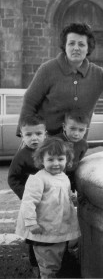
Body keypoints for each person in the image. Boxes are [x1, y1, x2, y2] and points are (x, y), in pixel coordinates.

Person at [15, 137, 80, 279]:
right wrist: (31, 222)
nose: (56, 163)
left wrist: (71, 198)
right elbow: (28, 202)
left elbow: (62, 195)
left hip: (58, 226)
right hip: (43, 228)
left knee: (56, 257)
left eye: (60, 159)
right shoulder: (39, 179)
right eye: (50, 160)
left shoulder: (63, 177)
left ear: (67, 159)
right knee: (47, 262)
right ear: (41, 160)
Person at [8, 115, 47, 276]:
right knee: (33, 236)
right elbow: (12, 178)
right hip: (32, 204)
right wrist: (27, 196)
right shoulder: (22, 156)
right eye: (29, 135)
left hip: (50, 202)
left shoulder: (50, 150)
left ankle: (53, 260)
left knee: (51, 230)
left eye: (38, 133)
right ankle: (35, 265)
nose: (34, 138)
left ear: (45, 134)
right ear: (22, 136)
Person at [55, 110, 89, 191]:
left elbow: (79, 158)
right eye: (72, 129)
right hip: (55, 175)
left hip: (72, 175)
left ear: (86, 130)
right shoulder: (55, 141)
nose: (76, 134)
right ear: (64, 127)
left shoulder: (83, 144)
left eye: (81, 130)